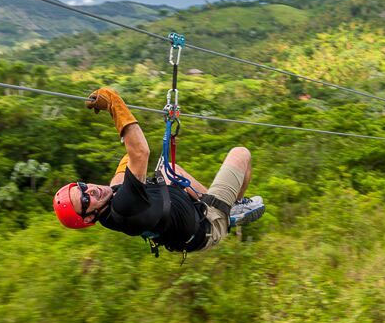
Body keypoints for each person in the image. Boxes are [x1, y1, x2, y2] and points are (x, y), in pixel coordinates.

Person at [53, 87, 265, 255]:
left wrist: (128, 153)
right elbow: (140, 152)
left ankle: (219, 203)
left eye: (81, 187)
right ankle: (230, 209)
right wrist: (114, 103)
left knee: (167, 168)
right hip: (209, 225)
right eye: (85, 200)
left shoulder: (109, 206)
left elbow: (122, 175)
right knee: (241, 154)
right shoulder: (124, 206)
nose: (89, 191)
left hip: (188, 217)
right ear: (89, 219)